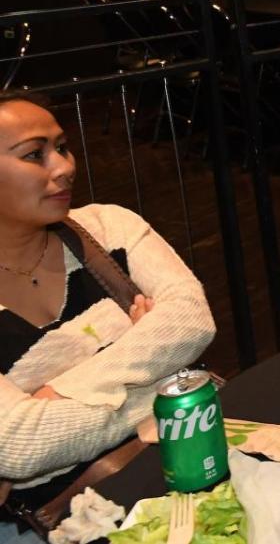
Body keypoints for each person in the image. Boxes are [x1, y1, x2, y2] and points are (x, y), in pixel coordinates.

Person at [0, 93, 215, 539]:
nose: (63, 166)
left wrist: (56, 393)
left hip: (182, 461)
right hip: (57, 522)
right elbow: (21, 445)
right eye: (34, 155)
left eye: (62, 147)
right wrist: (159, 372)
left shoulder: (107, 228)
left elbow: (193, 320)